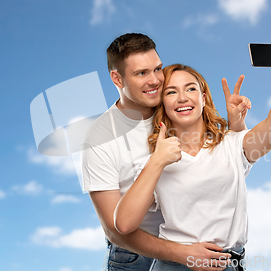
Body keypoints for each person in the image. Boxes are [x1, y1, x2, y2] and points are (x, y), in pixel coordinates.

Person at [114, 40, 271, 270]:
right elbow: (124, 224)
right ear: (162, 103)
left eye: (191, 88)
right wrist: (157, 161)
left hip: (228, 264)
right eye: (171, 92)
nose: (182, 97)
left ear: (204, 98)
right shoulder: (157, 158)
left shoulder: (233, 144)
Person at [81, 33, 251, 271]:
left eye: (157, 69)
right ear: (117, 79)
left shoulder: (178, 106)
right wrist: (182, 253)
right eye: (141, 73)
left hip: (198, 248)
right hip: (134, 256)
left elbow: (222, 174)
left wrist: (237, 127)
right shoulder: (99, 139)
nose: (155, 81)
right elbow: (114, 229)